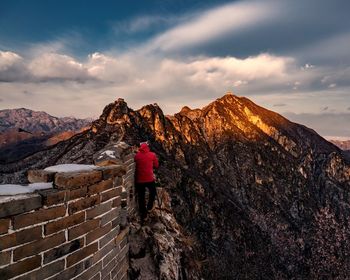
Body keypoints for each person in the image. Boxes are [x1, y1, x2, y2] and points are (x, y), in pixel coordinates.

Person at [134, 141, 159, 223]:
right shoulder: (152, 155)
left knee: (141, 197)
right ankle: (149, 206)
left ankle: (143, 214)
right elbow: (156, 165)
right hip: (149, 179)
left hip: (139, 180)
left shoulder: (136, 156)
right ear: (147, 148)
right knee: (153, 192)